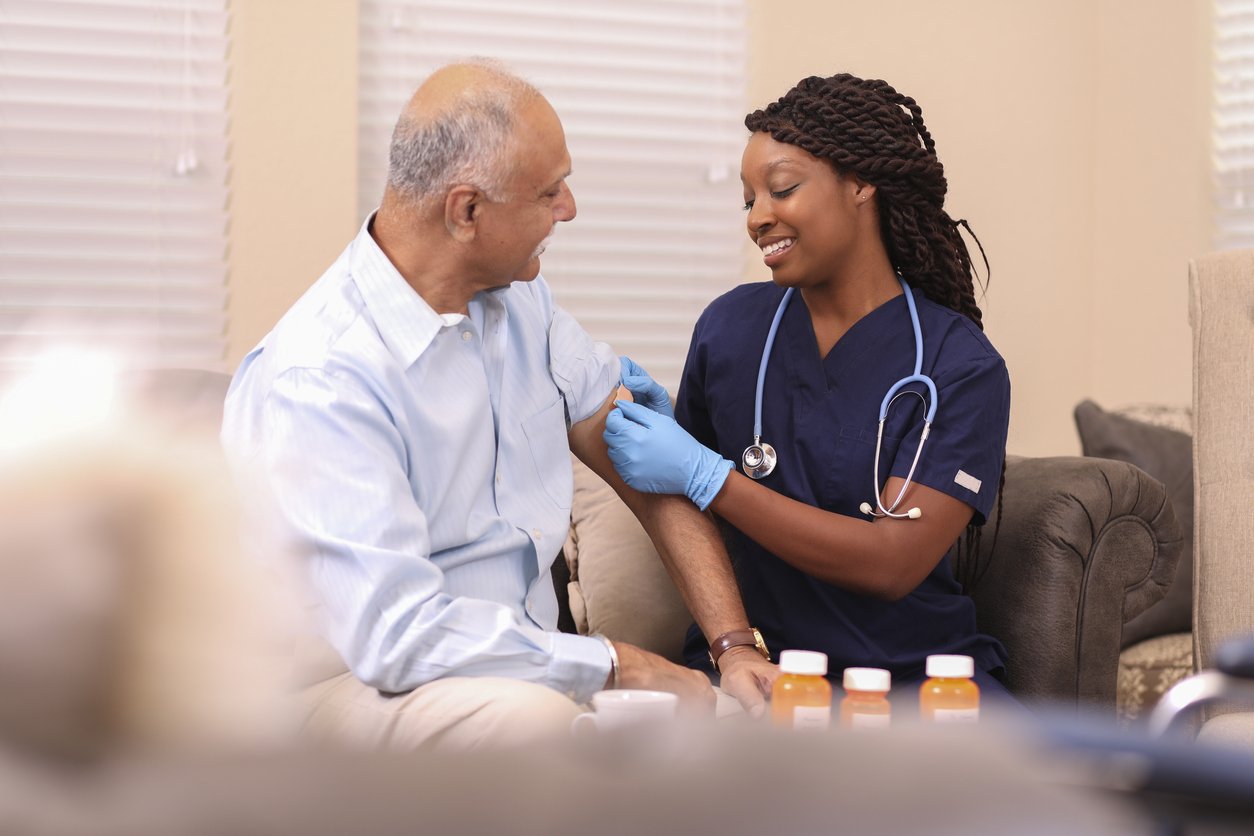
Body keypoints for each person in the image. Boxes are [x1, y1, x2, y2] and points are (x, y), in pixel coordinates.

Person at [220, 61, 777, 750]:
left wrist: (733, 647)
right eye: (550, 191)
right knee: (536, 726)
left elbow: (646, 467)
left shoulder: (523, 307)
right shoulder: (320, 377)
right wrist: (617, 664)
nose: (568, 209)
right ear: (467, 211)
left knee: (734, 736)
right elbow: (397, 637)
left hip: (521, 674)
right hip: (355, 687)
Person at [604, 73, 1015, 706]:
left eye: (783, 189)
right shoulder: (730, 329)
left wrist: (709, 475)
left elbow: (892, 563)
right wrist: (731, 644)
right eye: (747, 200)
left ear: (859, 184)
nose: (758, 217)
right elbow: (692, 515)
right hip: (754, 680)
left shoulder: (957, 365)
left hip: (914, 682)